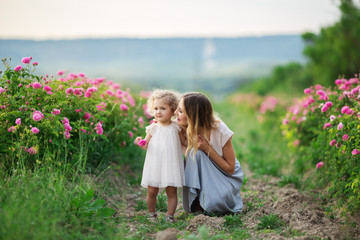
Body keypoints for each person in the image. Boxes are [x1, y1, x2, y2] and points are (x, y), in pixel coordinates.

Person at [174, 92, 244, 214]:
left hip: (225, 175)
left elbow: (230, 169)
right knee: (195, 154)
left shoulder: (220, 130)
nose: (175, 113)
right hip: (202, 171)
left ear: (193, 115)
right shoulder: (182, 127)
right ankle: (196, 201)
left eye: (180, 111)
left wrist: (208, 149)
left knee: (213, 205)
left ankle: (215, 198)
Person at [135, 89, 185, 223]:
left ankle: (170, 215)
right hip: (155, 163)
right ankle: (151, 214)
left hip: (171, 164)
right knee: (152, 191)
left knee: (171, 192)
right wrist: (141, 142)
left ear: (173, 110)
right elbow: (146, 145)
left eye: (163, 108)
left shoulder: (177, 127)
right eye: (156, 108)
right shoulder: (152, 128)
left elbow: (184, 142)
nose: (158, 112)